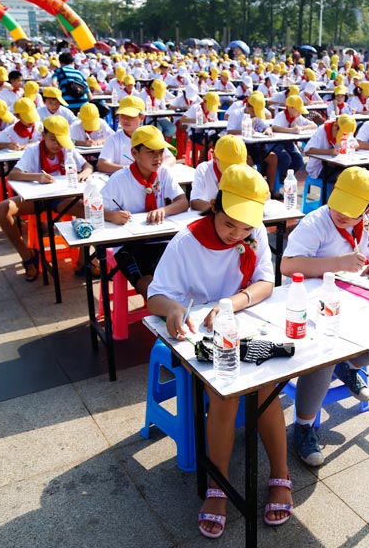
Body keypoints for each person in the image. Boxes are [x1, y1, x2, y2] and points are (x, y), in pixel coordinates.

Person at [147, 164, 292, 539]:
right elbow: (155, 296)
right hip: (200, 332)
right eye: (230, 225)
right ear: (215, 206)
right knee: (224, 394)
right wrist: (174, 308)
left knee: (266, 384)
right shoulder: (187, 241)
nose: (238, 235)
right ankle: (218, 485)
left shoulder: (254, 231)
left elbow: (266, 283)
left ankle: (280, 474)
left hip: (245, 321)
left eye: (246, 228)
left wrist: (233, 302)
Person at [280, 167, 369, 467]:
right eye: (338, 204)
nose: (341, 214)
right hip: (312, 306)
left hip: (354, 301)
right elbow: (288, 266)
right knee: (326, 351)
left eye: (351, 211)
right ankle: (303, 426)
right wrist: (336, 263)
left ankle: (348, 366)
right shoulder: (316, 222)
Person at [0, 116, 93, 281]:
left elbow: (87, 165)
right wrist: (37, 177)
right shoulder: (33, 151)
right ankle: (28, 256)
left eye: (60, 140)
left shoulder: (67, 149)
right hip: (36, 199)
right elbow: (13, 174)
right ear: (43, 136)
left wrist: (84, 173)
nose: (57, 144)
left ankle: (84, 261)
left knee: (89, 210)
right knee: (2, 210)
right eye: (52, 139)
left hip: (60, 199)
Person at [101, 125, 189, 298]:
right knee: (148, 285)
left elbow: (182, 201)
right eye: (150, 152)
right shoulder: (119, 179)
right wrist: (112, 216)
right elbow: (92, 209)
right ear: (134, 153)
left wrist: (164, 209)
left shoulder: (164, 173)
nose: (158, 158)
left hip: (162, 240)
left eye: (161, 152)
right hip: (131, 245)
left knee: (185, 275)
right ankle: (164, 310)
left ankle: (178, 312)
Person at [190, 135, 248, 212]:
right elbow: (195, 202)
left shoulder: (245, 170)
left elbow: (265, 194)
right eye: (228, 165)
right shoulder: (203, 170)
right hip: (207, 216)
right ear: (214, 156)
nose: (232, 170)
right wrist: (222, 210)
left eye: (236, 165)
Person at [269, 95, 314, 178]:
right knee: (286, 159)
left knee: (299, 160)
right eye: (297, 110)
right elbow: (275, 127)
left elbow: (314, 125)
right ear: (290, 108)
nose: (299, 113)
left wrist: (301, 128)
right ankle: (280, 176)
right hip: (277, 144)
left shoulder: (298, 117)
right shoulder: (281, 115)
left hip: (289, 144)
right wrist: (291, 130)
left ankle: (286, 177)